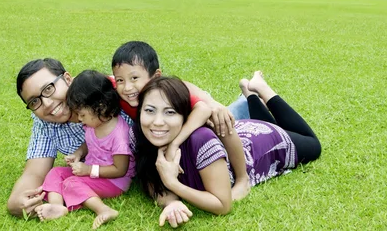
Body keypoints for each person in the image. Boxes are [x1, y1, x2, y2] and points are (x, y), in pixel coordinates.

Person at [7, 56, 251, 218]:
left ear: (67, 79)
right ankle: (251, 97)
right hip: (149, 152)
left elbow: (165, 85)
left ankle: (243, 175)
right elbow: (33, 173)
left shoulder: (102, 90)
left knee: (224, 118)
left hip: (172, 123)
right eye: (35, 101)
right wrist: (16, 202)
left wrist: (210, 102)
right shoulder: (44, 123)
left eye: (49, 89)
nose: (47, 103)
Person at [133, 72, 321, 227]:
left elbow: (222, 204)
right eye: (149, 110)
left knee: (313, 145)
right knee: (265, 122)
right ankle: (250, 95)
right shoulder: (144, 138)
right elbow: (152, 183)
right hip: (238, 132)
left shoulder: (200, 140)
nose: (157, 122)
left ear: (185, 116)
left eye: (170, 112)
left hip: (263, 142)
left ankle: (263, 89)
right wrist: (172, 203)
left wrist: (173, 183)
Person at [111, 41, 251, 200]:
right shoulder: (121, 91)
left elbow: (204, 109)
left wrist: (174, 143)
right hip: (165, 128)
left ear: (156, 76)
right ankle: (246, 100)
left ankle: (242, 178)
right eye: (120, 81)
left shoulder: (168, 93)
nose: (127, 87)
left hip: (195, 116)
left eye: (134, 78)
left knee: (220, 117)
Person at [34, 70, 135, 228]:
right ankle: (57, 206)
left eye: (81, 114)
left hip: (114, 181)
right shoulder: (93, 123)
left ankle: (103, 210)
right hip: (94, 170)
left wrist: (88, 170)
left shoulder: (119, 134)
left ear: (100, 107)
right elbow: (90, 143)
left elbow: (120, 169)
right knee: (56, 172)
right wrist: (78, 154)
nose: (79, 119)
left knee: (72, 183)